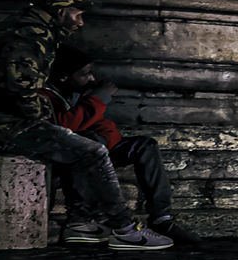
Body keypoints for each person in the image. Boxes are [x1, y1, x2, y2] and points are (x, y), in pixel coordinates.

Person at [0, 0, 171, 252]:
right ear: (60, 11)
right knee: (91, 151)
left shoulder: (16, 27)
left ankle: (85, 223)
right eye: (77, 15)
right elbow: (20, 88)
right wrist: (43, 120)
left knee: (75, 143)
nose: (80, 22)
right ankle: (124, 229)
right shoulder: (29, 34)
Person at [49, 57, 174, 236]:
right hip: (74, 157)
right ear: (63, 77)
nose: (91, 78)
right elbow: (66, 127)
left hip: (104, 149)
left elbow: (105, 129)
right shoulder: (47, 96)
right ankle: (81, 221)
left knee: (145, 146)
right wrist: (98, 98)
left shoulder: (77, 93)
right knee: (90, 140)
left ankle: (162, 217)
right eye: (85, 74)